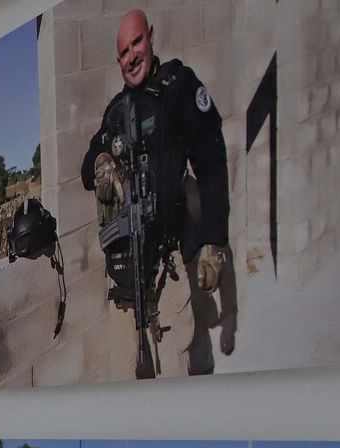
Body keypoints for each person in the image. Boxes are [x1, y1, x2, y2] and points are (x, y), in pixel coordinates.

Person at [81, 9, 229, 358]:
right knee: (126, 376)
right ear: (118, 60)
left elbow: (211, 162)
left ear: (151, 36)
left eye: (137, 43)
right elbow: (87, 170)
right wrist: (101, 163)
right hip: (125, 278)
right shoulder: (116, 111)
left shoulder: (178, 86)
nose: (132, 56)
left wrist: (215, 243)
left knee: (174, 374)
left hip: (167, 269)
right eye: (123, 52)